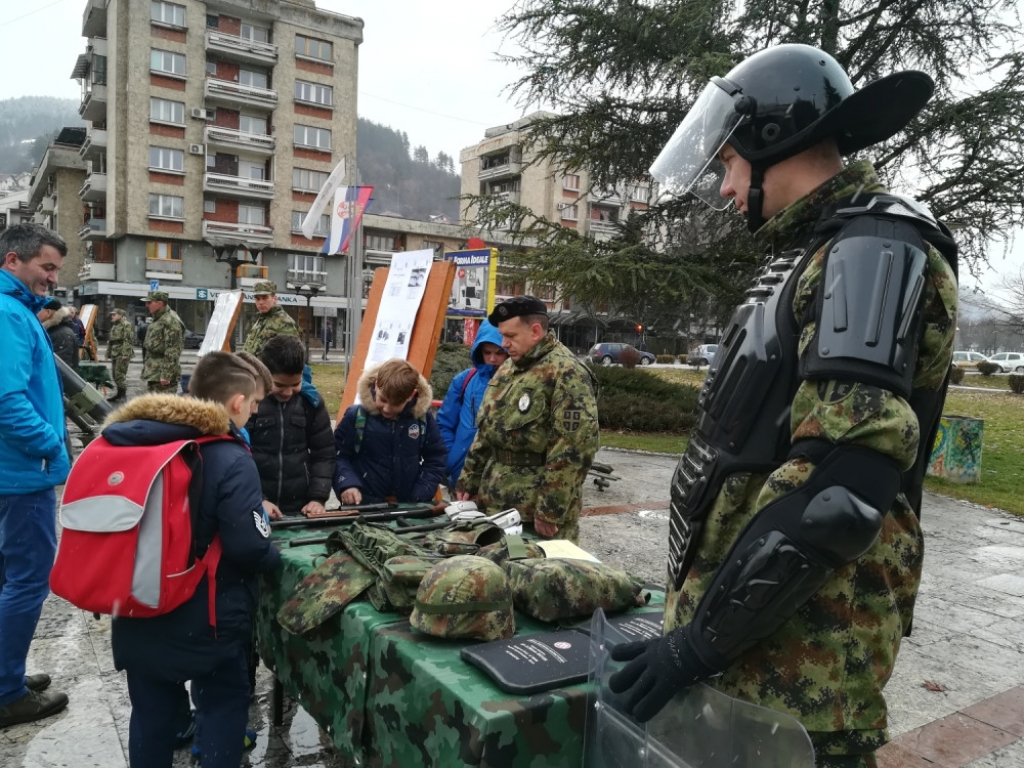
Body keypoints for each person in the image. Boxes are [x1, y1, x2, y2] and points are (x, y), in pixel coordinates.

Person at [605, 44, 959, 768]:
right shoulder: (821, 252)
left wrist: (698, 644)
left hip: (804, 665)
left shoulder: (874, 250)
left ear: (774, 144)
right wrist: (691, 624)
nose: (728, 188)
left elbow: (840, 491)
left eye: (731, 165)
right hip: (755, 652)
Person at [107, 351, 281, 767]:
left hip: (135, 604)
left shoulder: (131, 439)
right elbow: (247, 545)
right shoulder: (228, 454)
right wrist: (273, 554)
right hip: (207, 615)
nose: (255, 412)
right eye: (255, 404)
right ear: (236, 402)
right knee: (222, 703)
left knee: (150, 712)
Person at [0, 223, 71, 728]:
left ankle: (7, 673)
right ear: (12, 260)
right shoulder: (8, 313)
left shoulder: (15, 309)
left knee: (9, 579)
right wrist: (52, 445)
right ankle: (7, 693)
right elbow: (7, 401)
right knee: (27, 581)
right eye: (45, 266)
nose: (51, 278)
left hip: (14, 471)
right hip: (22, 474)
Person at [456, 296, 599, 543]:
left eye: (510, 336)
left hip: (532, 513)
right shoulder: (508, 368)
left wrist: (550, 509)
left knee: (536, 575)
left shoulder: (566, 372)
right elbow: (487, 430)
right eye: (502, 336)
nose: (504, 344)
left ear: (535, 331)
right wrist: (469, 479)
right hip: (493, 503)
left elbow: (573, 447)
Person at [333, 358, 447, 506]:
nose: (386, 408)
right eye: (383, 399)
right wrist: (347, 484)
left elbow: (436, 459)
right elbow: (338, 456)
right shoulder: (356, 416)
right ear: (376, 385)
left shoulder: (422, 419)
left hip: (408, 507)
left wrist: (420, 494)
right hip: (363, 506)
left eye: (395, 404)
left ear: (411, 396)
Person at [248, 335, 334, 518]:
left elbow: (324, 454)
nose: (288, 392)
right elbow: (240, 458)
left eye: (295, 384)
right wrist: (258, 499)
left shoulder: (312, 404)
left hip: (299, 507)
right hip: (255, 505)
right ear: (264, 373)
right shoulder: (250, 404)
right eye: (279, 385)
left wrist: (317, 498)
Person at [436, 320, 508, 489]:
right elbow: (444, 423)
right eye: (487, 352)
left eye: (499, 353)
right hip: (461, 473)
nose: (492, 358)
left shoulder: (519, 383)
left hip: (500, 480)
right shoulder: (464, 380)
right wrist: (451, 459)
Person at [141, 290, 184, 393]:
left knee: (164, 407)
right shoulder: (158, 318)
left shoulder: (170, 320)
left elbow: (173, 349)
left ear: (160, 303)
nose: (147, 305)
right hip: (154, 372)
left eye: (150, 302)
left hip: (162, 376)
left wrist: (166, 374)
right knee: (153, 407)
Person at [243, 281, 299, 357]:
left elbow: (290, 357)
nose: (261, 302)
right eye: (257, 299)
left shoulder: (284, 321)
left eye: (265, 298)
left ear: (274, 299)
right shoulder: (260, 321)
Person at [39, 299, 79, 373]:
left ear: (48, 312)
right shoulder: (53, 330)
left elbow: (61, 369)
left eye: (39, 309)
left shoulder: (61, 335)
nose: (36, 313)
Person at [106, 307, 134, 402]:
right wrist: (107, 354)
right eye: (112, 314)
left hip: (122, 353)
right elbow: (111, 341)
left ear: (121, 315)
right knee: (114, 375)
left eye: (114, 314)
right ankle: (119, 394)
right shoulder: (115, 326)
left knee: (120, 375)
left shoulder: (126, 325)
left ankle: (123, 395)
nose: (112, 316)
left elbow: (128, 340)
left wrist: (125, 353)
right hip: (115, 352)